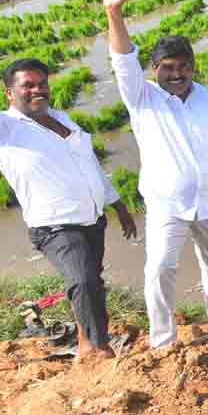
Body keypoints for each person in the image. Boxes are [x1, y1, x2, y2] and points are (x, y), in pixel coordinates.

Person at [104, 0, 208, 349]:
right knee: (160, 267)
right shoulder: (142, 96)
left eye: (183, 67)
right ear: (155, 70)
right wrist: (114, 13)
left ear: (193, 67)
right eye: (167, 68)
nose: (176, 74)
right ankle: (162, 340)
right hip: (166, 205)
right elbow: (123, 59)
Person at [0, 58, 138, 360]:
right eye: (28, 85)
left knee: (91, 280)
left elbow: (90, 165)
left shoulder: (62, 118)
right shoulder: (7, 128)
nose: (38, 90)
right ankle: (100, 350)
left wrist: (116, 203)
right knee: (83, 280)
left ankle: (87, 342)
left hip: (91, 218)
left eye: (42, 83)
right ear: (9, 92)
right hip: (55, 226)